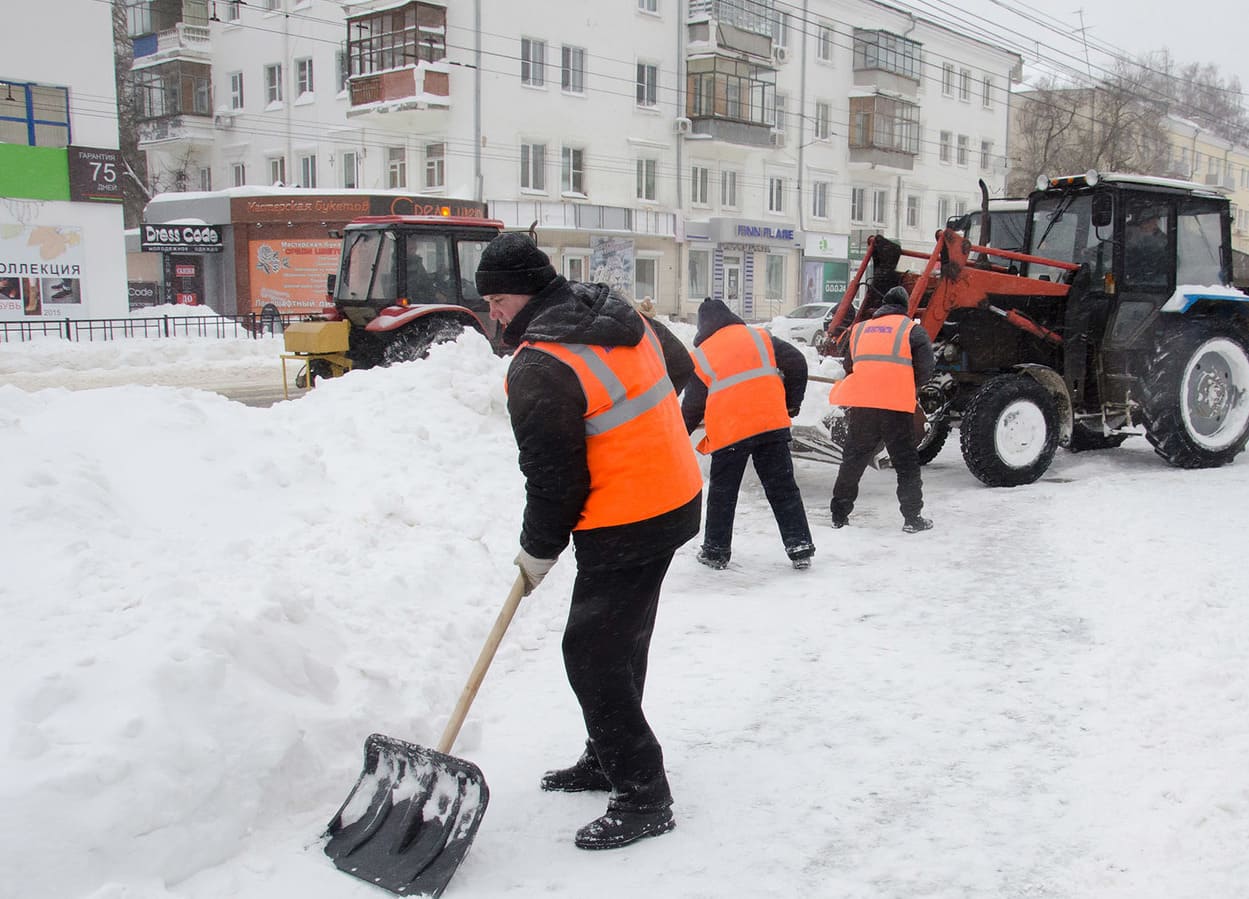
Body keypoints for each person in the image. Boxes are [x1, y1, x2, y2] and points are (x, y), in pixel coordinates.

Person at [475, 232, 702, 851]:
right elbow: (680, 370)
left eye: (496, 299)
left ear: (524, 293)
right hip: (674, 497)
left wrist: (536, 550)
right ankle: (608, 756)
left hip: (628, 519)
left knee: (592, 654)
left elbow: (554, 481)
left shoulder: (542, 366)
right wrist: (654, 440)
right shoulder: (615, 314)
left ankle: (644, 793)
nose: (492, 312)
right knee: (620, 641)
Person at [681, 298, 815, 570]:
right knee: (783, 489)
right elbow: (798, 362)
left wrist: (678, 435)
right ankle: (799, 546)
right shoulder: (760, 337)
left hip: (731, 432)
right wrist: (792, 403)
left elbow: (693, 405)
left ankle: (715, 551)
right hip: (770, 424)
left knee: (723, 493)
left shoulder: (702, 356)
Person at [828, 285, 936, 533]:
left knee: (853, 460)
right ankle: (912, 518)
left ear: (882, 307)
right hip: (896, 407)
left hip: (864, 405)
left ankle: (839, 514)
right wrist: (905, 384)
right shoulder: (912, 330)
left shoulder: (859, 329)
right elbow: (926, 371)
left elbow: (849, 365)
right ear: (904, 308)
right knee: (906, 463)